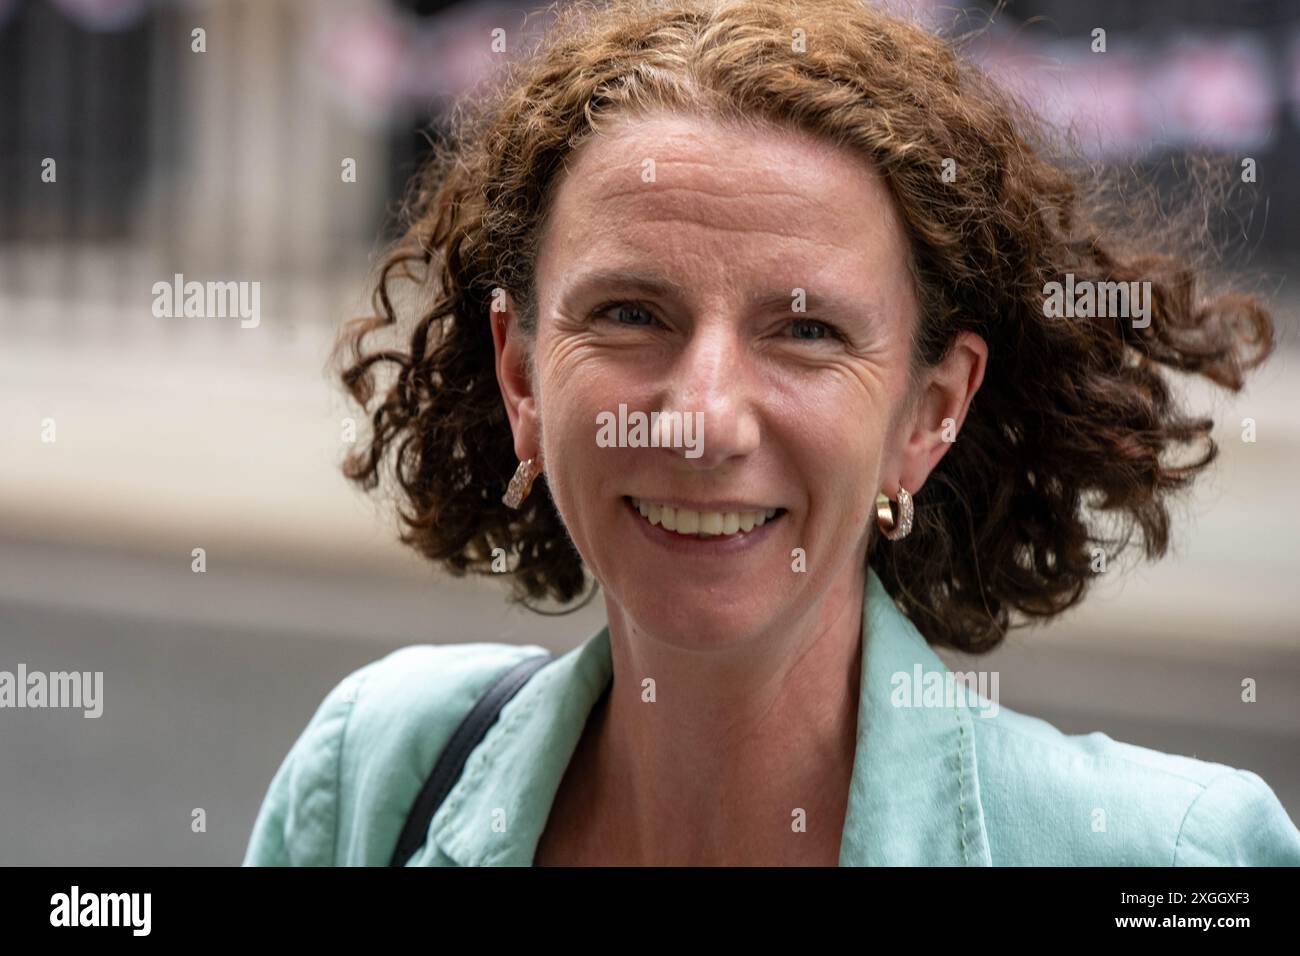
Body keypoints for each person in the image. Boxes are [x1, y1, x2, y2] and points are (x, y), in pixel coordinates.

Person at [243, 0, 1300, 866]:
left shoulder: (1174, 861)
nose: (703, 418)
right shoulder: (373, 781)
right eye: (628, 313)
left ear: (929, 411)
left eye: (804, 329)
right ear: (521, 374)